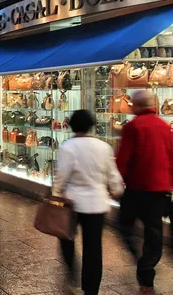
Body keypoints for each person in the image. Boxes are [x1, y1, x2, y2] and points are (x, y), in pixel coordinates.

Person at [52, 110, 124, 295]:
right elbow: (112, 173)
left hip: (73, 203)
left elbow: (61, 175)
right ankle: (91, 288)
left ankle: (72, 271)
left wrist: (56, 193)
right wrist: (116, 190)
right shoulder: (103, 147)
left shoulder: (68, 147)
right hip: (97, 204)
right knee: (93, 248)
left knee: (66, 238)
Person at [116, 90, 173, 288]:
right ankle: (147, 267)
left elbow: (124, 158)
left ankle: (138, 255)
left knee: (124, 224)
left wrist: (117, 182)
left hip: (137, 187)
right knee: (154, 230)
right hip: (159, 189)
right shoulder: (165, 127)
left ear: (136, 105)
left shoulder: (133, 127)